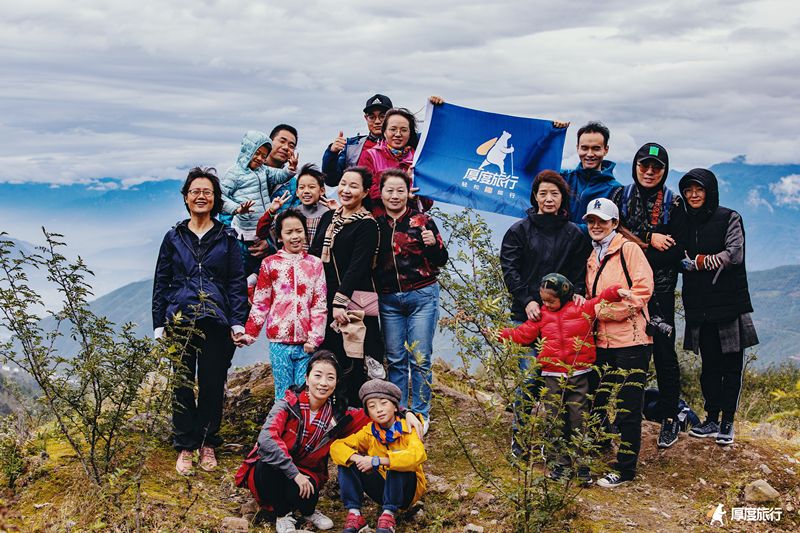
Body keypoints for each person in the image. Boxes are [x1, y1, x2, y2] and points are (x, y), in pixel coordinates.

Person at [236, 352, 424, 533]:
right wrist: (295, 474)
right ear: (307, 377)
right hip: (278, 473)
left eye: (330, 377)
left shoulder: (340, 415)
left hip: (308, 476)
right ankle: (282, 515)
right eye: (318, 375)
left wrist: (405, 412)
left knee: (312, 492)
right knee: (266, 464)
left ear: (336, 383)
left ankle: (308, 512)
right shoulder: (287, 405)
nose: (323, 383)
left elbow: (377, 410)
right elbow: (266, 440)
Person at [152, 167, 248, 475]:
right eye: (195, 191)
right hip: (179, 317)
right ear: (186, 198)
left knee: (211, 383)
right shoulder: (173, 237)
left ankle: (207, 442)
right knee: (181, 383)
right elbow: (161, 281)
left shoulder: (228, 238)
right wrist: (159, 322)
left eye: (207, 192)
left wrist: (237, 321)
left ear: (216, 199)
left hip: (216, 319)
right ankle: (185, 444)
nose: (201, 196)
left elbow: (236, 282)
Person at [498, 273, 631, 483]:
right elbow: (523, 334)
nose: (546, 304)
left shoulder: (581, 308)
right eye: (543, 300)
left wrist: (616, 292)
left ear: (565, 295)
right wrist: (500, 334)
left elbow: (600, 299)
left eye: (551, 300)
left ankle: (582, 467)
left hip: (578, 375)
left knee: (579, 419)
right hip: (552, 376)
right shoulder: (541, 315)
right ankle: (559, 465)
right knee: (554, 420)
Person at [499, 170, 592, 458]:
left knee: (561, 385)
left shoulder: (574, 233)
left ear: (563, 197)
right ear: (535, 197)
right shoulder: (519, 231)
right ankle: (521, 438)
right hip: (526, 315)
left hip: (563, 323)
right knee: (529, 380)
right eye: (543, 193)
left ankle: (555, 443)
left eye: (554, 193)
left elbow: (579, 271)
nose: (548, 199)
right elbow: (510, 270)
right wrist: (527, 300)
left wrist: (576, 291)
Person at [612, 142, 685, 449]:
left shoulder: (675, 202)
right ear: (636, 166)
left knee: (665, 354)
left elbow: (677, 250)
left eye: (657, 167)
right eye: (644, 166)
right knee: (624, 353)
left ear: (665, 171)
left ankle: (670, 417)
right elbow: (611, 233)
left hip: (661, 292)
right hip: (624, 290)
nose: (650, 172)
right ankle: (623, 415)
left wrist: (638, 247)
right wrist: (648, 239)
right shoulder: (619, 196)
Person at [678, 168, 758, 446]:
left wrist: (698, 262)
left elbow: (734, 254)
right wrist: (691, 261)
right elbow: (677, 255)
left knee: (731, 364)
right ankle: (711, 417)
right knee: (709, 364)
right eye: (688, 190)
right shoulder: (684, 221)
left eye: (698, 189)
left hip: (729, 303)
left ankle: (727, 421)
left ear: (709, 190)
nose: (693, 195)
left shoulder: (729, 217)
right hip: (699, 304)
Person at [583, 198, 653, 488]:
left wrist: (601, 311)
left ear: (614, 223)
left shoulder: (628, 249)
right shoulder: (593, 255)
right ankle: (601, 448)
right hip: (603, 342)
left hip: (633, 342)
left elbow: (642, 291)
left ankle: (625, 469)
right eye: (591, 221)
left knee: (627, 406)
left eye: (602, 220)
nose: (596, 226)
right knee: (595, 399)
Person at [375, 169, 448, 432]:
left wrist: (433, 245)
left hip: (422, 295)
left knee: (420, 357)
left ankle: (420, 412)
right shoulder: (375, 223)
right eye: (389, 191)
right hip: (388, 297)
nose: (394, 196)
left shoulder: (422, 221)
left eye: (400, 191)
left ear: (409, 193)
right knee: (395, 358)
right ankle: (399, 409)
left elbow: (441, 260)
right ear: (381, 193)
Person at [308, 167, 385, 407]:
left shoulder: (368, 225)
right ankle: (329, 411)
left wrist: (339, 301)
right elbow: (313, 255)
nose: (346, 190)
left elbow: (358, 266)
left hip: (353, 303)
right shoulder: (329, 217)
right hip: (326, 297)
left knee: (355, 357)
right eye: (343, 183)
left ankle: (356, 413)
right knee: (329, 358)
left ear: (364, 192)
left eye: (353, 186)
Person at [241, 210, 327, 400]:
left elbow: (319, 304)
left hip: (306, 344)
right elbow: (261, 302)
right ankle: (281, 430)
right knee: (283, 394)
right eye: (289, 232)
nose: (295, 236)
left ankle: (302, 430)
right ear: (279, 237)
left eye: (299, 231)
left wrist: (314, 339)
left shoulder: (315, 264)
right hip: (278, 342)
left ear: (305, 233)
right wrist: (250, 334)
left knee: (306, 394)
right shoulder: (269, 264)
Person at [330, 379, 427, 533]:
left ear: (395, 407)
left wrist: (377, 461)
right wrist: (358, 458)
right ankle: (355, 515)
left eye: (383, 403)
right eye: (372, 406)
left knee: (398, 460)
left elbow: (417, 456)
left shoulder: (409, 428)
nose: (379, 410)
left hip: (407, 491)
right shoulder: (369, 432)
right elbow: (337, 446)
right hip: (382, 489)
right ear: (368, 413)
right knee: (346, 459)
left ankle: (388, 517)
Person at [221, 131, 297, 274]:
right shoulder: (235, 173)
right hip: (240, 238)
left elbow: (280, 176)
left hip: (268, 244)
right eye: (282, 141)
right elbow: (222, 201)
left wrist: (291, 169)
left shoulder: (269, 173)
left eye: (291, 145)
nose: (286, 147)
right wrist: (236, 211)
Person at [255, 164, 335, 252]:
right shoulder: (291, 215)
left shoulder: (329, 215)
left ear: (322, 191)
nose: (306, 191)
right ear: (297, 192)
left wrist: (338, 212)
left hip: (320, 264)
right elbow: (261, 233)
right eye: (302, 187)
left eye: (311, 187)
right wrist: (271, 211)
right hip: (293, 263)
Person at [557, 122, 622, 229]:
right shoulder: (563, 179)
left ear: (606, 150)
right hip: (558, 245)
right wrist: (551, 132)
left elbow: (614, 228)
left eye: (596, 148)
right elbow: (531, 167)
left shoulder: (615, 190)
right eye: (584, 148)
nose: (590, 154)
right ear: (577, 148)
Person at [322, 94, 393, 187]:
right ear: (366, 118)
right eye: (371, 117)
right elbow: (331, 180)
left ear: (391, 117)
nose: (377, 121)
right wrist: (332, 153)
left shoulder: (404, 145)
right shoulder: (352, 146)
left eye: (382, 116)